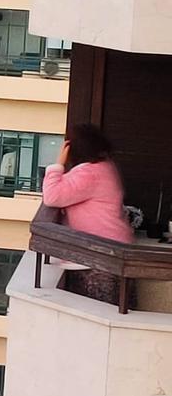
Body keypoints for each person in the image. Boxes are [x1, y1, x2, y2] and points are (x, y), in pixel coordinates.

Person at [42, 123, 133, 304]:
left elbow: (52, 196)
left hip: (100, 259)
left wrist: (57, 164)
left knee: (99, 312)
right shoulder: (105, 167)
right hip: (113, 252)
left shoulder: (89, 174)